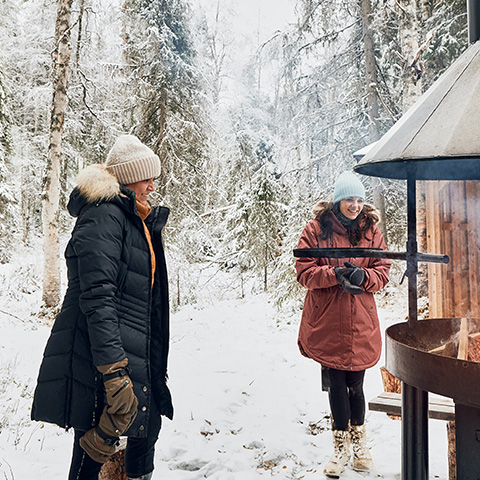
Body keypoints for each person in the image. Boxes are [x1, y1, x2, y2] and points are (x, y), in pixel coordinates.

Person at [31, 134, 173, 480]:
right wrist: (114, 371)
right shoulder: (104, 217)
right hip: (101, 359)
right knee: (91, 458)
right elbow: (97, 296)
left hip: (134, 356)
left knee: (142, 442)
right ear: (126, 178)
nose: (153, 186)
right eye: (146, 178)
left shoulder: (133, 217)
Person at [295, 171, 390, 478]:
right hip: (328, 319)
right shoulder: (316, 229)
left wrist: (365, 278)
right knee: (336, 383)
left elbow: (383, 271)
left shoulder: (371, 231)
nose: (355, 205)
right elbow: (304, 272)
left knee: (357, 385)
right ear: (337, 200)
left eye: (360, 199)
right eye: (349, 199)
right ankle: (340, 448)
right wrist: (335, 275)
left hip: (360, 318)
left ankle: (360, 443)